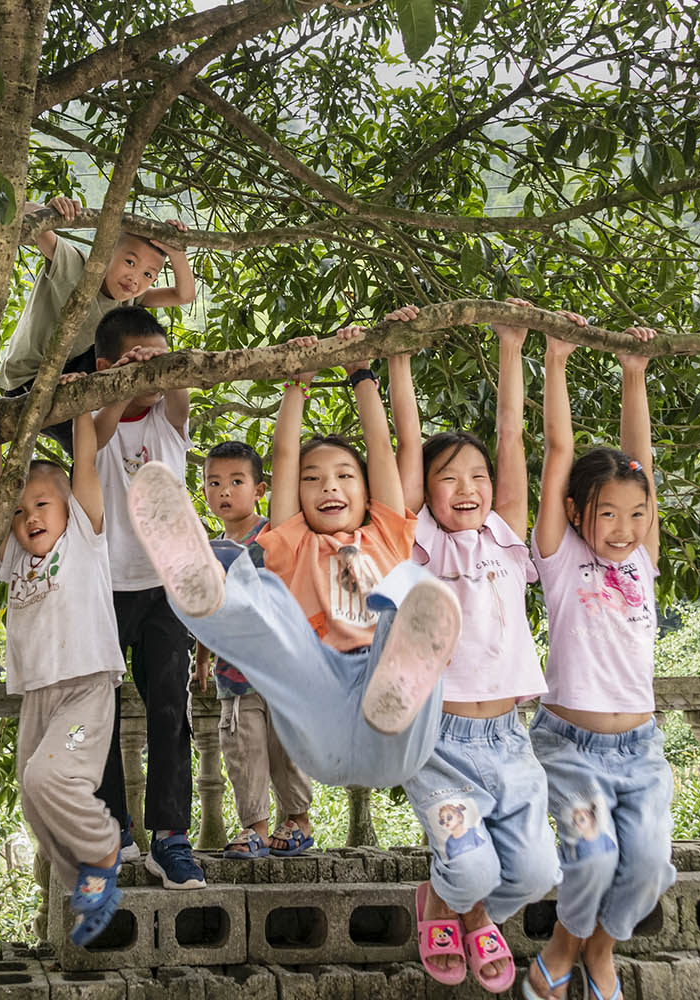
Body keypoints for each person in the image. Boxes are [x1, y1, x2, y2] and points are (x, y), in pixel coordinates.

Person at [123, 317, 461, 794]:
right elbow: (284, 454)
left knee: (412, 585)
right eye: (312, 478)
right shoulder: (292, 540)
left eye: (345, 475)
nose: (329, 485)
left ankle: (399, 671)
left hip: (395, 723)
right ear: (295, 496)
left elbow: (383, 446)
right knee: (261, 592)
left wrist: (362, 373)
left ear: (368, 492)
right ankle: (206, 583)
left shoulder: (386, 533)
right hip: (318, 696)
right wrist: (296, 382)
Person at [388, 300, 575, 993]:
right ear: (427, 492)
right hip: (438, 741)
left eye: (476, 477)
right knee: (471, 867)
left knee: (534, 874)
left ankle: (456, 912)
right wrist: (398, 356)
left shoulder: (506, 533)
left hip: (509, 739)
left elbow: (512, 437)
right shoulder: (420, 543)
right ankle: (451, 900)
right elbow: (409, 446)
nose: (467, 487)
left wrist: (517, 346)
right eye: (448, 477)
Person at [523, 325, 673, 1000]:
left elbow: (642, 459)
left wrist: (633, 373)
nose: (623, 529)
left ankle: (601, 949)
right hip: (571, 750)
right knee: (592, 854)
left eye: (635, 515)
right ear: (578, 513)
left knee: (647, 867)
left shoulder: (643, 557)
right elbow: (558, 452)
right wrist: (555, 359)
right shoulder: (559, 559)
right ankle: (564, 943)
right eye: (608, 515)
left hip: (642, 753)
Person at [0, 409, 126, 946]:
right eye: (21, 512)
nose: (30, 517)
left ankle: (104, 847)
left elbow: (84, 461)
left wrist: (85, 411)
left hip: (84, 694)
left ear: (68, 507)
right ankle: (85, 883)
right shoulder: (16, 553)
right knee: (31, 793)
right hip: (39, 698)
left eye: (42, 504)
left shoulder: (84, 538)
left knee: (48, 778)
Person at [87, 307, 204, 890]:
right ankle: (113, 830)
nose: (150, 375)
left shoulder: (169, 419)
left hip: (164, 587)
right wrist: (117, 383)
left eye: (159, 360)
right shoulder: (92, 418)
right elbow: (101, 435)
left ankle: (171, 837)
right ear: (106, 366)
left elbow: (177, 392)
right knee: (98, 714)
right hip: (103, 587)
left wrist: (162, 369)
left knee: (168, 712)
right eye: (138, 359)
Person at [191, 441, 316, 859]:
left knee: (287, 747)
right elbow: (207, 610)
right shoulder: (208, 551)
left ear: (260, 489)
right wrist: (202, 661)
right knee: (243, 749)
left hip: (284, 670)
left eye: (236, 482)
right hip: (233, 674)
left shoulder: (274, 535)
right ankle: (255, 828)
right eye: (214, 482)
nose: (224, 491)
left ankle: (297, 819)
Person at [0, 196, 195, 454]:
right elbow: (20, 210)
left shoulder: (131, 296)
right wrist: (51, 211)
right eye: (130, 262)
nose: (134, 279)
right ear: (105, 249)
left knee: (133, 347)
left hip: (72, 377)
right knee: (93, 448)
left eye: (148, 275)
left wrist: (176, 252)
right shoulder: (75, 266)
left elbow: (184, 295)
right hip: (26, 383)